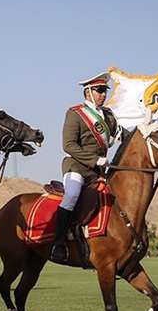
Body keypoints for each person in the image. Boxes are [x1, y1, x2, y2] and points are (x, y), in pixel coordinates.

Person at [50, 72, 120, 262]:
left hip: (98, 171)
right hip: (76, 166)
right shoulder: (75, 113)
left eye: (105, 90)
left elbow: (117, 135)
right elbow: (69, 145)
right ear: (88, 92)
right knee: (72, 194)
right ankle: (58, 243)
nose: (103, 94)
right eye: (99, 90)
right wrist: (95, 160)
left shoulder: (108, 116)